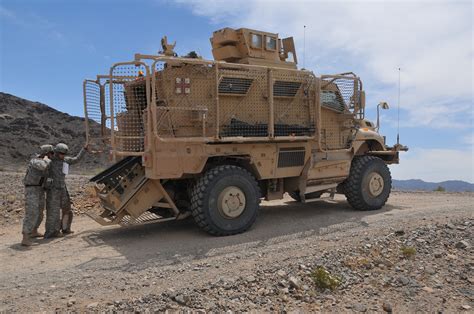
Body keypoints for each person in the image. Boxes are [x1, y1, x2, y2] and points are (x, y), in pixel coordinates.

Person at [44, 143, 88, 238]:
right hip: (53, 191)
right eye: (61, 153)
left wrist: (84, 149)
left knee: (67, 209)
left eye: (64, 153)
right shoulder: (49, 161)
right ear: (56, 152)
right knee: (53, 212)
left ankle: (65, 228)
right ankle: (52, 232)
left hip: (62, 189)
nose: (62, 155)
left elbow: (76, 159)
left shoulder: (66, 161)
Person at [21, 145, 53, 246]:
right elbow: (42, 166)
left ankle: (34, 231)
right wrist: (47, 160)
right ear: (46, 153)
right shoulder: (35, 160)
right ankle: (25, 237)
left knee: (40, 212)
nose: (52, 155)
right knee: (32, 212)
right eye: (51, 153)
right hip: (31, 189)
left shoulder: (46, 162)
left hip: (40, 190)